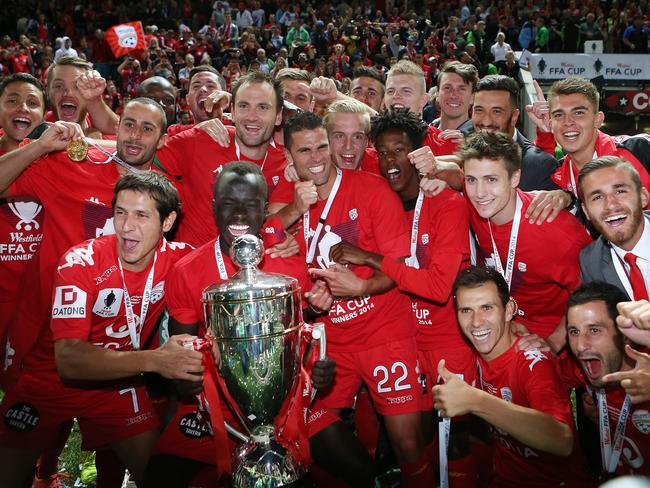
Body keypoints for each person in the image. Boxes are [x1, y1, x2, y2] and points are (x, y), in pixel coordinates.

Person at [0, 171, 199, 487]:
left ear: (167, 221)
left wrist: (277, 242)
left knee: (161, 478)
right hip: (47, 381)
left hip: (117, 385)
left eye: (141, 216)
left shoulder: (183, 260)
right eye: (120, 212)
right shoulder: (81, 262)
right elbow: (69, 360)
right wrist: (156, 360)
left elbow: (226, 262)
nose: (126, 226)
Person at [271, 112, 435, 487]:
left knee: (407, 442)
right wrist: (312, 301)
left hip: (384, 334)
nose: (316, 157)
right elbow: (256, 242)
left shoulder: (373, 190)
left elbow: (399, 267)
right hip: (330, 343)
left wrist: (360, 287)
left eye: (322, 147)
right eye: (305, 150)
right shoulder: (289, 204)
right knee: (304, 422)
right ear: (289, 157)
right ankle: (369, 478)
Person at [144, 162, 333, 486]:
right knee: (157, 477)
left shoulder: (288, 263)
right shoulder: (187, 270)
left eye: (251, 204)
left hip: (282, 403)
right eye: (230, 203)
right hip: (214, 403)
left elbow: (298, 344)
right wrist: (185, 381)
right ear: (215, 207)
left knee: (354, 467)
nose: (240, 214)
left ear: (265, 208)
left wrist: (317, 371)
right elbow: (183, 350)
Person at [330, 109, 476, 485]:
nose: (391, 159)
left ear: (418, 153)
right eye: (383, 151)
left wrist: (371, 259)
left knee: (457, 441)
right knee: (421, 441)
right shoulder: (384, 200)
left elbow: (438, 288)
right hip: (406, 338)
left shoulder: (446, 203)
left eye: (400, 149)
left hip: (448, 338)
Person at [0, 97, 169, 392]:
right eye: (128, 125)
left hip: (119, 340)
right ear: (116, 129)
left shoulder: (166, 192)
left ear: (162, 139)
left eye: (147, 128)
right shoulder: (70, 165)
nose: (135, 135)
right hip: (49, 330)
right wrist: (39, 147)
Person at [433, 266, 594, 486]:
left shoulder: (533, 363)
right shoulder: (474, 352)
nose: (476, 322)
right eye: (466, 310)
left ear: (508, 311)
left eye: (487, 308)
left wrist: (475, 401)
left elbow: (562, 440)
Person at [458, 131, 591, 348]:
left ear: (515, 178)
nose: (480, 193)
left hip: (546, 336)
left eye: (491, 179)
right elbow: (452, 172)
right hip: (501, 325)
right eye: (472, 180)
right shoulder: (478, 204)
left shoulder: (557, 231)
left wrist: (554, 344)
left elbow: (591, 294)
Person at [156, 71, 287, 247]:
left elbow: (275, 224)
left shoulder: (286, 164)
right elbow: (142, 160)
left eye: (263, 107)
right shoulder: (203, 139)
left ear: (278, 116)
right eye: (243, 106)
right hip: (192, 264)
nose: (252, 116)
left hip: (250, 264)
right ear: (231, 112)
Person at [562, 281, 650, 476]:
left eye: (594, 330)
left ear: (625, 335)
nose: (581, 345)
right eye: (574, 331)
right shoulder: (580, 369)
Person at [0, 73, 46, 380]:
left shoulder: (59, 156)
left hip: (36, 297)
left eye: (33, 103)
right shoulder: (42, 150)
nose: (23, 109)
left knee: (27, 384)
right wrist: (35, 147)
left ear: (44, 114)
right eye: (12, 101)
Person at [544, 77, 650, 199]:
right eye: (559, 115)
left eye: (578, 113)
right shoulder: (556, 177)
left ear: (598, 120)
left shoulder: (641, 149)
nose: (567, 122)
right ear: (551, 125)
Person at [471, 75, 560, 192]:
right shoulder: (459, 153)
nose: (486, 121)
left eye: (496, 111)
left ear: (514, 116)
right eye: (479, 110)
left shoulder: (540, 166)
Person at [579, 156, 649, 301]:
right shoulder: (591, 262)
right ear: (586, 212)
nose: (611, 205)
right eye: (597, 197)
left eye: (620, 191)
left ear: (643, 197)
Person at [384, 60, 459, 156]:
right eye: (390, 91)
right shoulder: (370, 142)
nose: (396, 96)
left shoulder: (444, 143)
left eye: (406, 91)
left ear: (423, 100)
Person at [431, 61, 476, 133]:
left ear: (472, 98)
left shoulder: (482, 141)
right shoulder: (421, 136)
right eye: (447, 88)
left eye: (461, 89)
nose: (453, 95)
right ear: (437, 94)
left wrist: (468, 143)